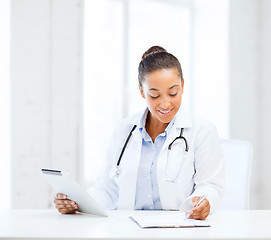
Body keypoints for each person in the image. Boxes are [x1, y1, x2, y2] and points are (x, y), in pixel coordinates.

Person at [54, 46, 225, 220]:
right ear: (142, 92)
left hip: (178, 227)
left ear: (182, 86)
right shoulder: (124, 129)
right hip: (129, 228)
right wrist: (77, 203)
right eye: (155, 95)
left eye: (173, 93)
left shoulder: (202, 130)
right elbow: (109, 187)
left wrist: (203, 201)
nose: (165, 104)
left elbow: (210, 185)